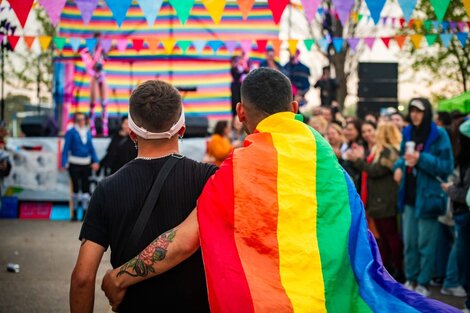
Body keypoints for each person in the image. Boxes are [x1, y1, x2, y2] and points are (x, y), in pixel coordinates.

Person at [102, 68, 460, 313]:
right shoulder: (329, 162)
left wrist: (120, 276)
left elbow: (182, 242)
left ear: (241, 112)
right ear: (294, 109)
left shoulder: (237, 170)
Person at [69, 80, 217, 313]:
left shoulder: (107, 189)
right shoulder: (210, 179)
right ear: (182, 130)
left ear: (131, 134)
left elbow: (82, 278)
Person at [393, 98, 454, 297]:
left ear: (426, 112)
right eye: (412, 111)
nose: (415, 114)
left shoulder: (439, 134)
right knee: (409, 242)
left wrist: (421, 159)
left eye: (419, 111)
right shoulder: (408, 132)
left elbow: (446, 166)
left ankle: (424, 283)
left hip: (428, 197)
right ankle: (411, 278)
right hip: (409, 196)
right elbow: (403, 157)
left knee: (425, 244)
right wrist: (398, 168)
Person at [348, 122, 404, 281]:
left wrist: (358, 161)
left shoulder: (389, 152)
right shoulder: (383, 151)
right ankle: (386, 269)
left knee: (391, 237)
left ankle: (397, 269)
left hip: (385, 202)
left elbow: (375, 171)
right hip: (379, 202)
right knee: (385, 239)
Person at [440, 117, 470, 299]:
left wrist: (451, 189)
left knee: (464, 257)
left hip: (463, 212)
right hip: (463, 213)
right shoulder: (466, 161)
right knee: (464, 258)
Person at [61, 112, 99, 221]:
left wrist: (95, 161)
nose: (81, 121)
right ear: (75, 121)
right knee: (76, 188)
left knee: (86, 188)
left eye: (82, 119)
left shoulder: (88, 132)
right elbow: (66, 149)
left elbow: (91, 149)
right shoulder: (71, 132)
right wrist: (64, 163)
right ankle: (74, 213)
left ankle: (84, 213)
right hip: (74, 163)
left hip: (86, 163)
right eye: (78, 120)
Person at [80, 32, 108, 137]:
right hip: (93, 75)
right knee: (93, 103)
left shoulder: (103, 50)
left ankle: (105, 128)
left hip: (101, 75)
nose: (99, 41)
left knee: (104, 103)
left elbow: (104, 61)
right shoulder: (86, 51)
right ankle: (92, 128)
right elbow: (89, 65)